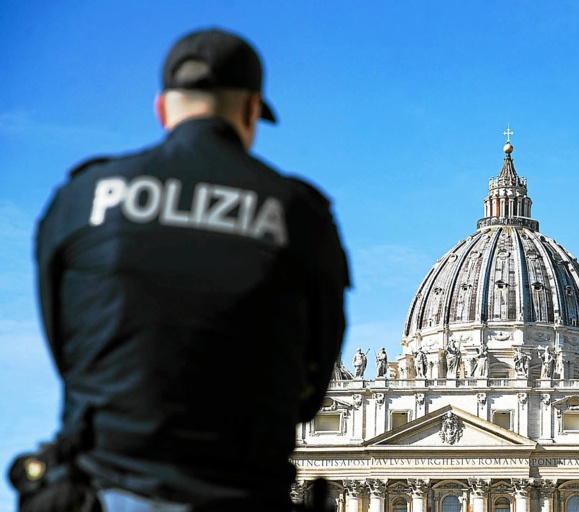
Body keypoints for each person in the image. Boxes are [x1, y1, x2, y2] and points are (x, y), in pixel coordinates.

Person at [18, 28, 349, 512]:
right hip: (239, 488)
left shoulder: (80, 199)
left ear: (161, 108)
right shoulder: (300, 215)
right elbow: (311, 386)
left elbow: (66, 350)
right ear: (252, 110)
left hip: (109, 483)